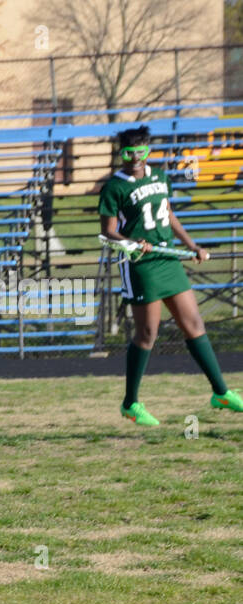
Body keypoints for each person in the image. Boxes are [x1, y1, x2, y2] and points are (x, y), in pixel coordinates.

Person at [98, 125, 242, 425]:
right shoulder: (114, 187)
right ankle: (130, 403)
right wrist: (133, 243)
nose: (135, 157)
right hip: (140, 263)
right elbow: (108, 232)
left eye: (141, 150)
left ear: (148, 150)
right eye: (128, 151)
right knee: (148, 333)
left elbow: (169, 214)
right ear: (120, 153)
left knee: (193, 323)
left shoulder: (160, 177)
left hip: (167, 258)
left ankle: (221, 392)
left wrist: (193, 246)